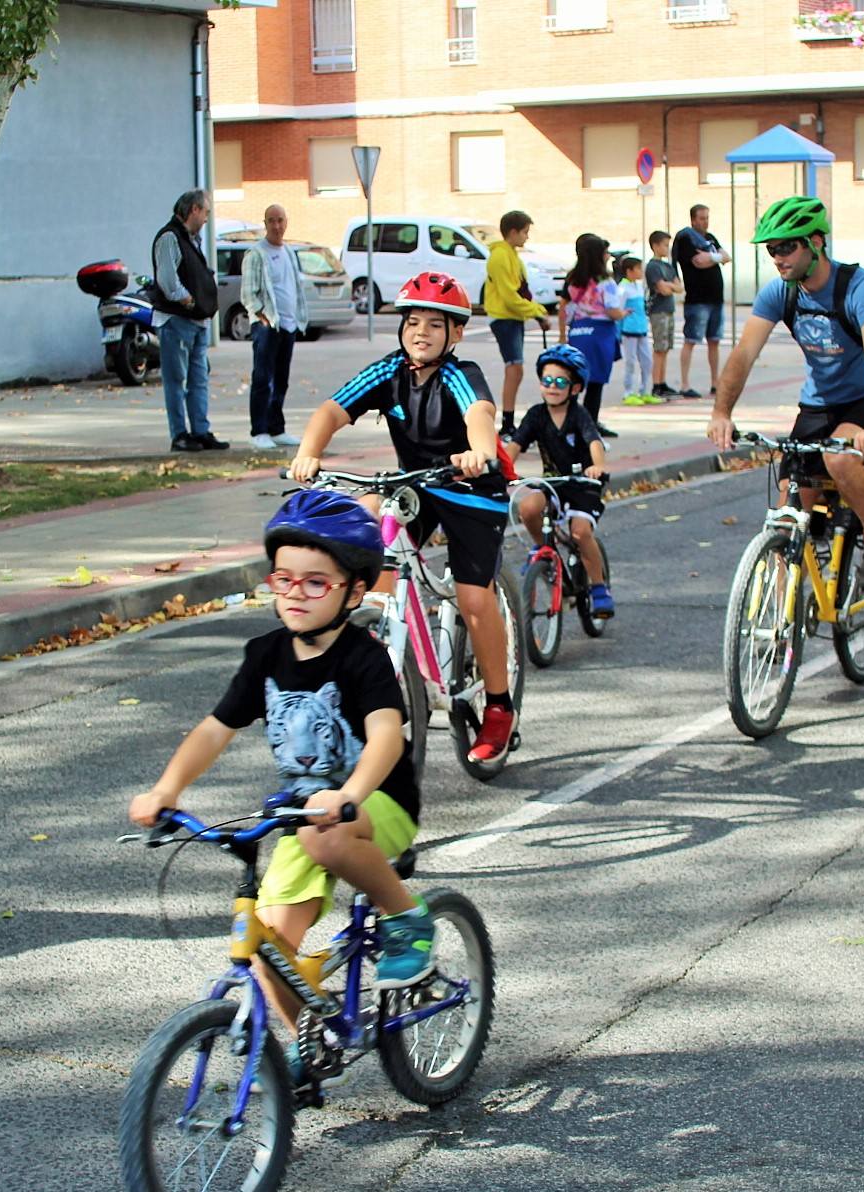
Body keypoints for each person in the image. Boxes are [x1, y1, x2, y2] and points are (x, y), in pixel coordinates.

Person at [128, 490, 433, 1084]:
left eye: (315, 582)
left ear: (353, 590)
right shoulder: (265, 654)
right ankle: (306, 1043)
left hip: (376, 804)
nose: (294, 592)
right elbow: (216, 730)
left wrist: (348, 795)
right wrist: (167, 789)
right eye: (284, 578)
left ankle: (409, 917)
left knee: (326, 836)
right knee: (266, 947)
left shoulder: (363, 659)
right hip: (304, 817)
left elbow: (386, 738)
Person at [289, 272, 522, 765]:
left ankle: (499, 707)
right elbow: (331, 411)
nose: (420, 332)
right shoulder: (389, 372)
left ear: (455, 334)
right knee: (367, 518)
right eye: (412, 322)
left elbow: (480, 413)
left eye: (434, 325)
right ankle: (383, 628)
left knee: (473, 598)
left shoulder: (460, 373)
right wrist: (308, 453)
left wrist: (480, 451)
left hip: (471, 489)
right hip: (416, 483)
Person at [706, 195, 864, 589]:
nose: (777, 257)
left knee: (840, 460)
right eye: (771, 249)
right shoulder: (780, 292)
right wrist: (721, 412)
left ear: (816, 242)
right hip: (819, 403)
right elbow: (744, 353)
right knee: (787, 514)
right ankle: (779, 616)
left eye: (786, 247)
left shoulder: (861, 288)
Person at [504, 343, 614, 618]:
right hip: (554, 482)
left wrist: (598, 466)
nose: (552, 387)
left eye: (560, 382)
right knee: (528, 508)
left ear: (575, 388)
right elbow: (515, 445)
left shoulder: (579, 415)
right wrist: (499, 468)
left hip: (583, 485)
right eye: (546, 380)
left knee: (580, 532)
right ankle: (544, 547)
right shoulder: (536, 415)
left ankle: (599, 587)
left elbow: (594, 443)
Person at [150, 189, 228, 451]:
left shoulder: (193, 239)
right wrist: (189, 301)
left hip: (197, 322)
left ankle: (201, 430)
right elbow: (168, 280)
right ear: (194, 209)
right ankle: (180, 434)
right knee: (176, 380)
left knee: (199, 379)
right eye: (206, 211)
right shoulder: (169, 237)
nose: (207, 218)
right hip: (177, 321)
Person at [240, 204, 308, 450]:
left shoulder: (288, 252)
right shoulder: (256, 254)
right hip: (268, 326)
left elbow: (293, 287)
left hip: (288, 326)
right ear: (265, 223)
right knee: (263, 379)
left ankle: (276, 428)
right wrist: (262, 317)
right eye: (271, 221)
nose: (276, 226)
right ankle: (259, 430)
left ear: (286, 221)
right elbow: (248, 294)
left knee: (281, 380)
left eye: (280, 220)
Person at [485, 209, 553, 433]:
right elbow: (510, 296)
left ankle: (508, 421)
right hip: (504, 318)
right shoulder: (500, 257)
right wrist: (536, 311)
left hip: (513, 317)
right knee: (513, 369)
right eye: (524, 232)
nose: (527, 236)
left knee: (516, 369)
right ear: (512, 232)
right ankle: (507, 423)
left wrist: (536, 312)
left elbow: (522, 291)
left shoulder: (512, 255)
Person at [556, 233, 625, 435]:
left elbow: (563, 307)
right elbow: (612, 311)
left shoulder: (573, 279)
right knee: (595, 381)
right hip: (600, 333)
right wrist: (622, 313)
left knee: (575, 378)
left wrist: (562, 334)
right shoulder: (605, 281)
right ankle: (590, 424)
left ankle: (569, 423)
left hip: (578, 331)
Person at [672, 204, 731, 399]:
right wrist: (715, 258)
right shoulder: (686, 238)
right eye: (702, 218)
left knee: (714, 341)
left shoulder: (710, 238)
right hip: (697, 300)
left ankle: (715, 382)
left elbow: (726, 257)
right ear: (693, 219)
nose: (706, 222)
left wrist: (711, 256)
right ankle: (684, 383)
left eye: (707, 217)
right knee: (691, 340)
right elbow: (698, 262)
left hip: (716, 299)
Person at [615, 255, 660, 406]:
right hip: (629, 330)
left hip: (641, 329)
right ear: (629, 271)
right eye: (638, 269)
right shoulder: (622, 289)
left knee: (647, 361)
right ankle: (628, 392)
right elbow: (618, 311)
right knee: (630, 362)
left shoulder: (639, 286)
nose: (641, 272)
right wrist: (619, 331)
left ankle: (644, 391)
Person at [645, 230, 683, 397]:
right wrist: (669, 286)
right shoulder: (653, 267)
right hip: (658, 311)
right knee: (659, 348)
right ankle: (656, 384)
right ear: (655, 246)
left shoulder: (668, 266)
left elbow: (679, 287)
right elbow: (662, 289)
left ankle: (663, 381)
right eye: (665, 245)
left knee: (666, 347)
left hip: (669, 310)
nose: (667, 248)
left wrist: (670, 286)